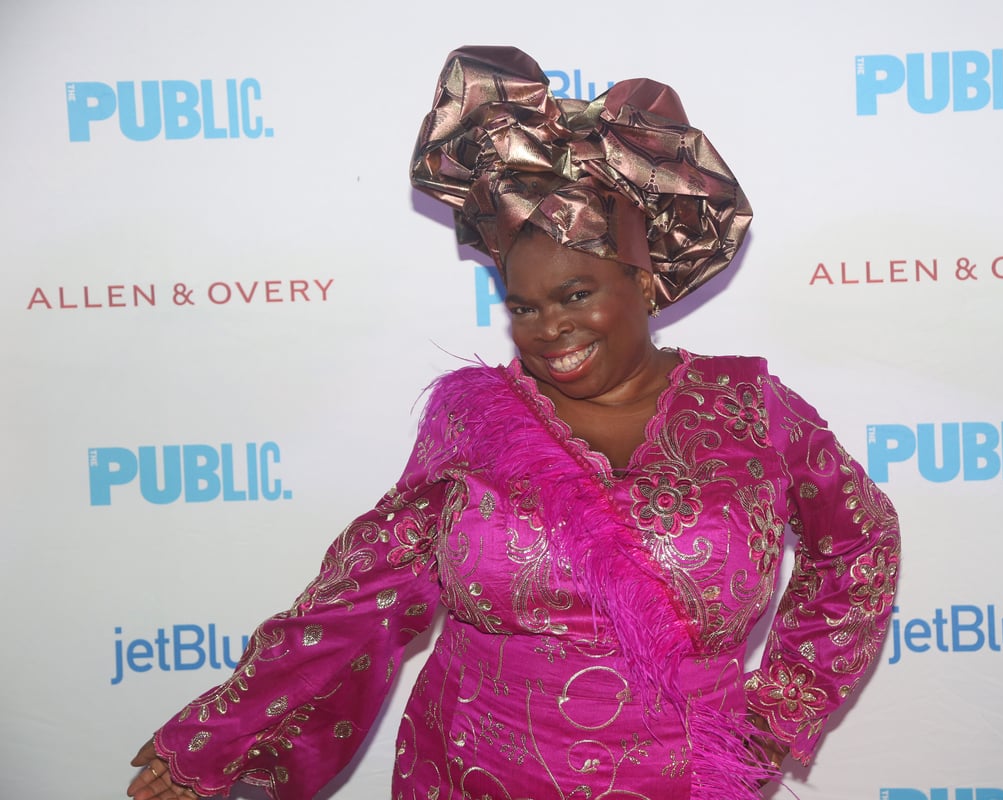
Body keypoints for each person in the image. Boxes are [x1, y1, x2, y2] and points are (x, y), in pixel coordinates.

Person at [127, 45, 900, 800]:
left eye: (575, 295)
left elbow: (860, 544)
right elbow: (363, 599)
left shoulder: (749, 411)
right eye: (523, 306)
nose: (547, 329)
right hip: (463, 775)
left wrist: (775, 716)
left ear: (645, 280)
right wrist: (224, 739)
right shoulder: (477, 419)